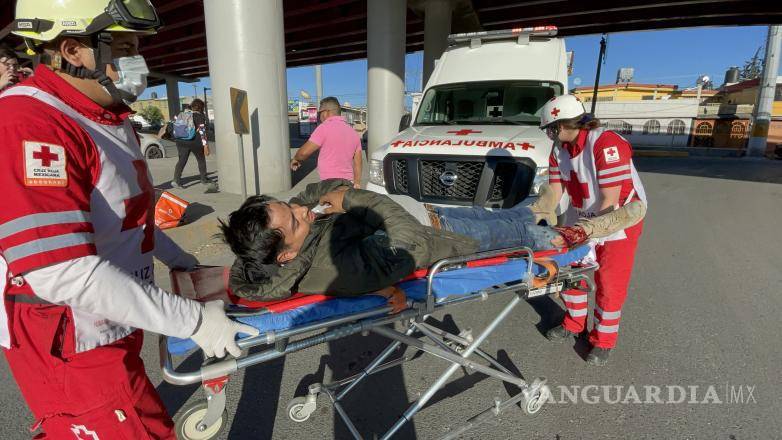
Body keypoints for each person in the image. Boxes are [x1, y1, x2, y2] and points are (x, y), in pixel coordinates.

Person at [0, 1, 257, 438]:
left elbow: (129, 217)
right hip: (72, 336)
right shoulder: (31, 119)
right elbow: (58, 271)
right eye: (123, 46)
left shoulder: (108, 117)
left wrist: (179, 259)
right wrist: (194, 322)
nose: (139, 61)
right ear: (72, 50)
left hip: (114, 313)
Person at [219, 179, 645, 308]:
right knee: (525, 237)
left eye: (290, 206)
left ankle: (537, 205)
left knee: (504, 216)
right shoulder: (332, 266)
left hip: (433, 214)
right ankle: (588, 230)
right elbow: (409, 244)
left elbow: (323, 188)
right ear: (286, 254)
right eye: (292, 218)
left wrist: (309, 202)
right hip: (442, 237)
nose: (301, 211)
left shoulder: (301, 239)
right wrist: (351, 201)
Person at [538, 94, 648, 366]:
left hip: (618, 219)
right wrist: (540, 217)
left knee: (609, 283)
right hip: (581, 216)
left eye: (552, 129)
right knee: (569, 271)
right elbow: (554, 192)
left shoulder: (606, 143)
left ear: (565, 124)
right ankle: (575, 323)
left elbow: (610, 201)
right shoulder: (558, 150)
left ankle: (603, 340)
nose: (550, 135)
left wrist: (591, 236)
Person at [290, 96, 363, 188]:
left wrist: (296, 159)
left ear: (326, 112)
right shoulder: (353, 132)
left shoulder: (324, 128)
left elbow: (303, 153)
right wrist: (357, 183)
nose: (319, 116)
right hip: (348, 184)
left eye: (319, 113)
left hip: (329, 184)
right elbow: (358, 161)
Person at [172, 98, 210, 188]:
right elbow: (202, 130)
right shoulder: (200, 116)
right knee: (201, 160)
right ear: (201, 108)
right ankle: (204, 179)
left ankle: (176, 180)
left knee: (182, 160)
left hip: (180, 140)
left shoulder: (183, 114)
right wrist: (205, 145)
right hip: (194, 141)